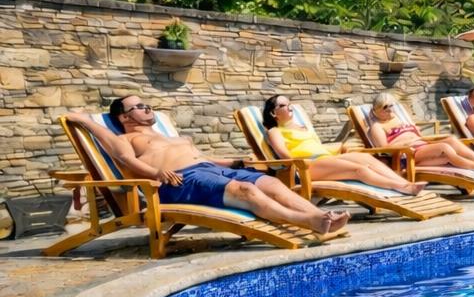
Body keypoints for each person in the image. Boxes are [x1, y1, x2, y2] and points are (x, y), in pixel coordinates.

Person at [66, 97, 349, 236]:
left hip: (211, 170)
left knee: (270, 183)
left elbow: (204, 156)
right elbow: (125, 160)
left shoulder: (170, 136)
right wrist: (155, 173)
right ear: (124, 117)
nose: (147, 108)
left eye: (148, 105)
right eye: (139, 106)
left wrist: (234, 162)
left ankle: (322, 214)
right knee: (245, 192)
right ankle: (310, 222)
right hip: (181, 181)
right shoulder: (126, 138)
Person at [261, 95, 426, 194]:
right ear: (273, 112)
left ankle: (406, 183)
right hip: (305, 166)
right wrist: (304, 163)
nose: (289, 107)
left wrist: (339, 148)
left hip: (325, 159)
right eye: (283, 105)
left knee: (365, 158)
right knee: (358, 170)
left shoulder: (302, 127)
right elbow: (285, 156)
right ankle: (399, 186)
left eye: (289, 103)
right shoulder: (274, 131)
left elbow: (318, 146)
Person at [365, 92, 474, 177]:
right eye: (385, 107)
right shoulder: (377, 127)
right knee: (445, 147)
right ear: (377, 110)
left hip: (422, 148)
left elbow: (417, 136)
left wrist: (417, 138)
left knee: (451, 140)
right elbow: (384, 149)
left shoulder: (397, 118)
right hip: (407, 156)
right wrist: (407, 142)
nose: (390, 110)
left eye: (392, 106)